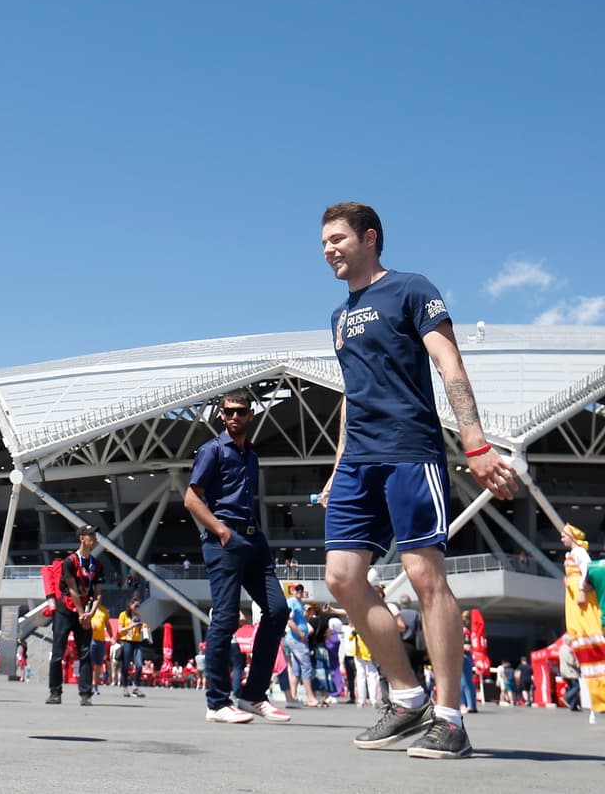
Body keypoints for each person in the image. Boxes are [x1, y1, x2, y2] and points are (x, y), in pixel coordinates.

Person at [317, 202, 518, 759]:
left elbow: (449, 364)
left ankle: (450, 720)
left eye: (337, 238)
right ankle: (408, 698)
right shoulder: (339, 315)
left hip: (410, 451)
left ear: (369, 238)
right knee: (340, 578)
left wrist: (474, 445)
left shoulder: (411, 289)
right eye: (323, 242)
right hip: (358, 462)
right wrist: (337, 469)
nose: (328, 249)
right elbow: (350, 396)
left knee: (425, 577)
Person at [185, 388, 291, 724]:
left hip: (253, 540)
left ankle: (253, 695)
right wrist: (221, 531)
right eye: (229, 411)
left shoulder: (251, 454)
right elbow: (191, 499)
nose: (234, 417)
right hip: (224, 541)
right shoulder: (212, 450)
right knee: (226, 619)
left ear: (251, 415)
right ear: (220, 413)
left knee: (277, 610)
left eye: (241, 411)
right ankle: (217, 702)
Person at [46, 525, 104, 706]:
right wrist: (81, 613)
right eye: (91, 535)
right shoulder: (70, 561)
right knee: (58, 652)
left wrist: (91, 613)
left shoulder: (97, 564)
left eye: (95, 536)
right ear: (82, 539)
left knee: (85, 652)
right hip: (66, 610)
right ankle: (55, 692)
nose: (94, 539)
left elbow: (98, 591)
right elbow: (71, 588)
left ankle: (86, 694)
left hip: (85, 613)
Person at [561, 523, 605, 719]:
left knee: (590, 638)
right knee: (581, 639)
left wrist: (581, 590)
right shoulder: (571, 554)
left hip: (579, 599)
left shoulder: (579, 552)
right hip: (572, 597)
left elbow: (588, 569)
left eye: (564, 535)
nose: (562, 538)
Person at [116, 597, 149, 700]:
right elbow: (120, 630)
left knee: (139, 665)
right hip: (127, 641)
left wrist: (143, 629)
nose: (137, 608)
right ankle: (125, 686)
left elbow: (138, 631)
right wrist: (131, 626)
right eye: (135, 606)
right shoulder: (123, 615)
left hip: (137, 642)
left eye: (138, 606)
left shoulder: (138, 616)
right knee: (126, 665)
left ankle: (135, 687)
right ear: (130, 605)